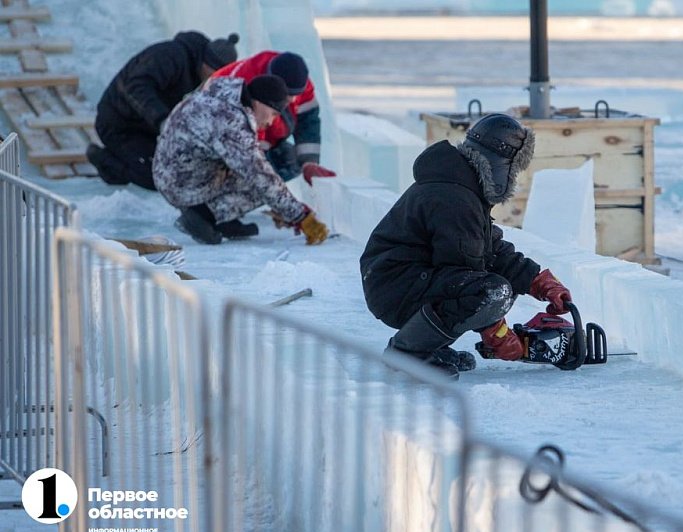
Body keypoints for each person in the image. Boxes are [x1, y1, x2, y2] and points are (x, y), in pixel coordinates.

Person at [360, 113, 573, 378]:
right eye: (514, 170)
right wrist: (499, 335)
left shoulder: (462, 185)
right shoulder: (455, 198)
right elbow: (466, 272)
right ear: (501, 166)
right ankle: (408, 353)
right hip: (394, 286)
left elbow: (489, 250)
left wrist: (537, 281)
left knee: (495, 286)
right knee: (493, 291)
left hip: (400, 279)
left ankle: (428, 346)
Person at [153, 74, 330, 246]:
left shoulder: (224, 93)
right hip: (181, 184)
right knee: (265, 179)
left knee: (259, 171)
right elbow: (260, 176)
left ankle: (222, 219)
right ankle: (204, 215)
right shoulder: (231, 121)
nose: (271, 122)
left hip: (171, 169)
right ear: (260, 103)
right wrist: (300, 216)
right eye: (273, 114)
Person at [87, 31, 240, 191]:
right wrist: (162, 119)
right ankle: (103, 159)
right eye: (212, 72)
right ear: (205, 62)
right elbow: (135, 87)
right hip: (119, 123)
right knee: (157, 177)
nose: (212, 79)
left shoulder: (206, 81)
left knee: (181, 173)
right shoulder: (170, 55)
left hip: (150, 130)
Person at [212, 51, 336, 184]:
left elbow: (308, 121)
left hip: (268, 141)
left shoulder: (298, 80)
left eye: (296, 95)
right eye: (288, 95)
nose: (293, 100)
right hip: (222, 145)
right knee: (251, 181)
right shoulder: (240, 85)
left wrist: (309, 162)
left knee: (290, 162)